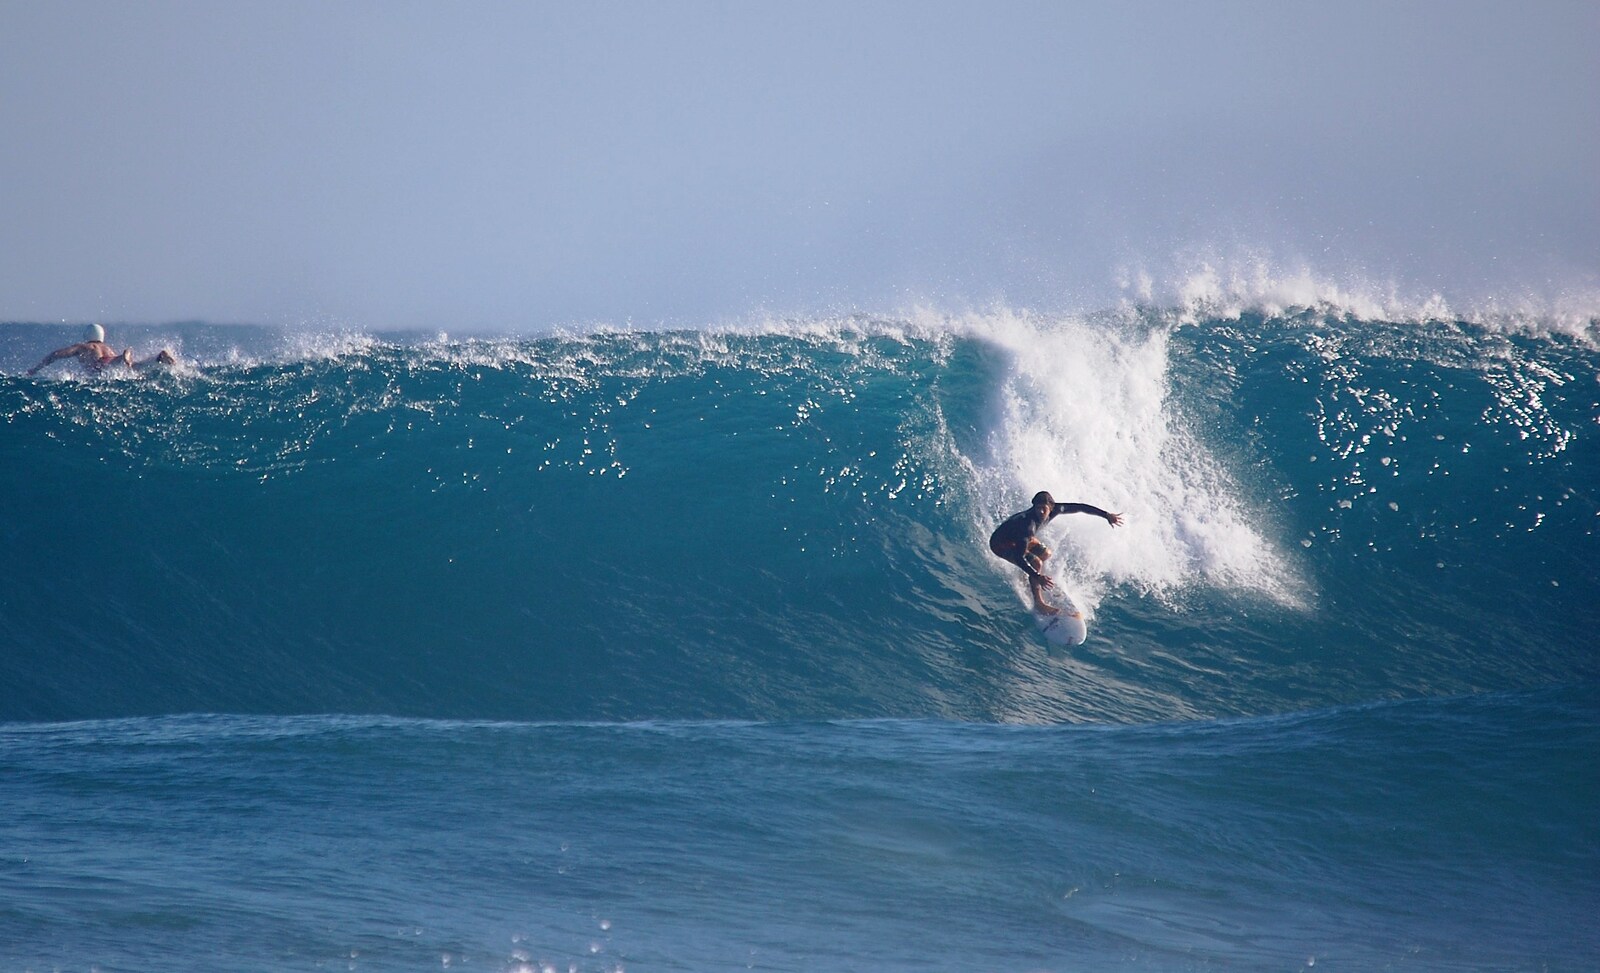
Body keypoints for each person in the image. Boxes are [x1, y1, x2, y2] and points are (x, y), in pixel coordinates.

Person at [990, 491, 1123, 615]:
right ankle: (1039, 603)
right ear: (1033, 507)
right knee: (1036, 563)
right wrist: (1037, 576)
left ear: (1051, 508)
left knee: (1046, 554)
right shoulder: (1027, 525)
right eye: (1038, 508)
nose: (1041, 512)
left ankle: (1026, 576)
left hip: (1017, 537)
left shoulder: (1057, 509)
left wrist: (1106, 515)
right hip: (1000, 544)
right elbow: (1019, 557)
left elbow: (1081, 507)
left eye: (1044, 509)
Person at [27, 324, 175, 375]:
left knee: (109, 366)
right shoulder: (107, 347)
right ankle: (158, 358)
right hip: (112, 359)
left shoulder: (85, 347)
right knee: (136, 367)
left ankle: (124, 357)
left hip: (103, 365)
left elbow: (57, 354)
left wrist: (36, 368)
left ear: (87, 334)